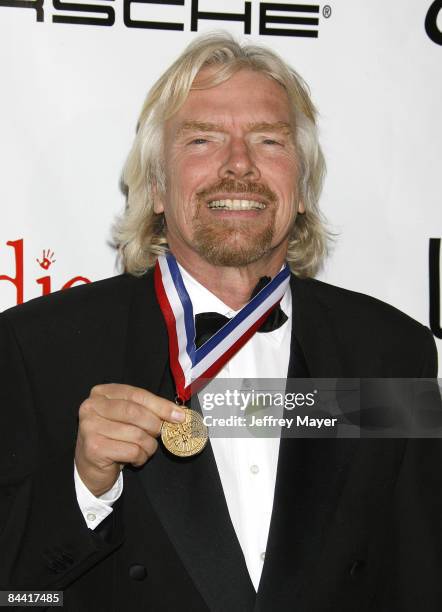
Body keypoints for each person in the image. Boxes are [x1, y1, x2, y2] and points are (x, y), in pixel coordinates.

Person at [0, 32, 440, 612]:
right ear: (156, 186)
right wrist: (86, 488)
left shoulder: (389, 351)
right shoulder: (41, 348)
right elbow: (17, 593)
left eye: (269, 140)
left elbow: (420, 581)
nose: (239, 165)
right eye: (203, 140)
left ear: (302, 187)